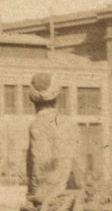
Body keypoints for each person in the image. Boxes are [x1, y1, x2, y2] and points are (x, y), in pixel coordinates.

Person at [25, 72, 81, 203]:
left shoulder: (36, 125)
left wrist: (31, 196)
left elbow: (35, 166)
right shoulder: (70, 123)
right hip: (70, 197)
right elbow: (76, 166)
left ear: (33, 100)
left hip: (46, 198)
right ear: (56, 98)